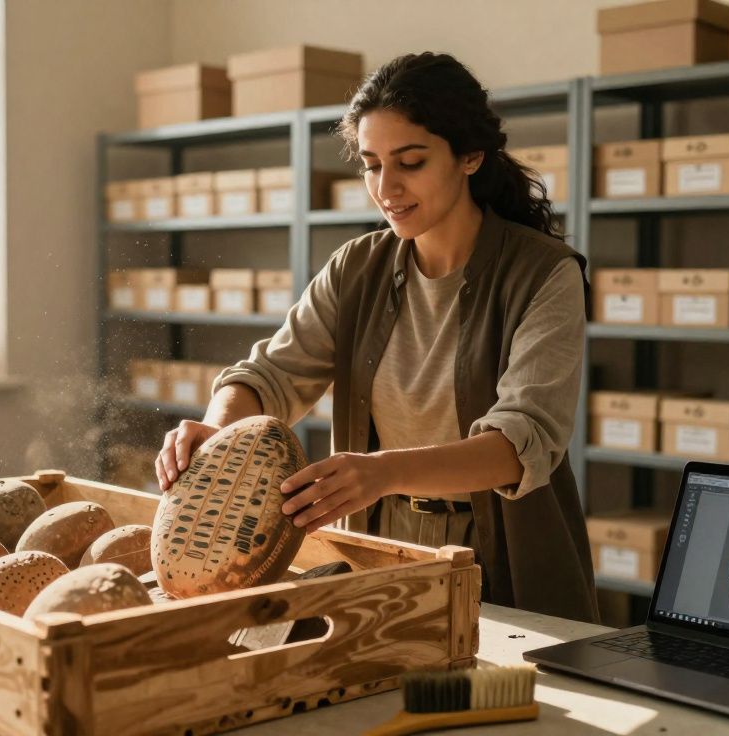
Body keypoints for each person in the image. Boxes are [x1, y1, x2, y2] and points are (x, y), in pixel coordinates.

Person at [154, 52, 597, 622]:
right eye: (370, 165)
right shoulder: (357, 267)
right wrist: (216, 440)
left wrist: (382, 471)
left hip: (506, 553)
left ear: (470, 156)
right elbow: (269, 376)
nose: (386, 187)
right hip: (375, 544)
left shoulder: (543, 273)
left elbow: (522, 442)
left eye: (409, 162)